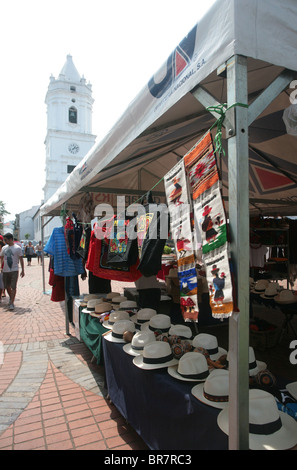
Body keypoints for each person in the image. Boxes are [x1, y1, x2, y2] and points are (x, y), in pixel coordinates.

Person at [0, 233, 25, 310]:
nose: (5, 241)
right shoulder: (4, 248)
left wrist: (23, 270)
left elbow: (21, 259)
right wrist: (1, 266)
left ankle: (11, 302)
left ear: (10, 239)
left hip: (14, 270)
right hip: (5, 270)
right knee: (7, 286)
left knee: (13, 286)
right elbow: (1, 257)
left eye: (6, 240)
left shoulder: (17, 248)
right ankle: (11, 298)